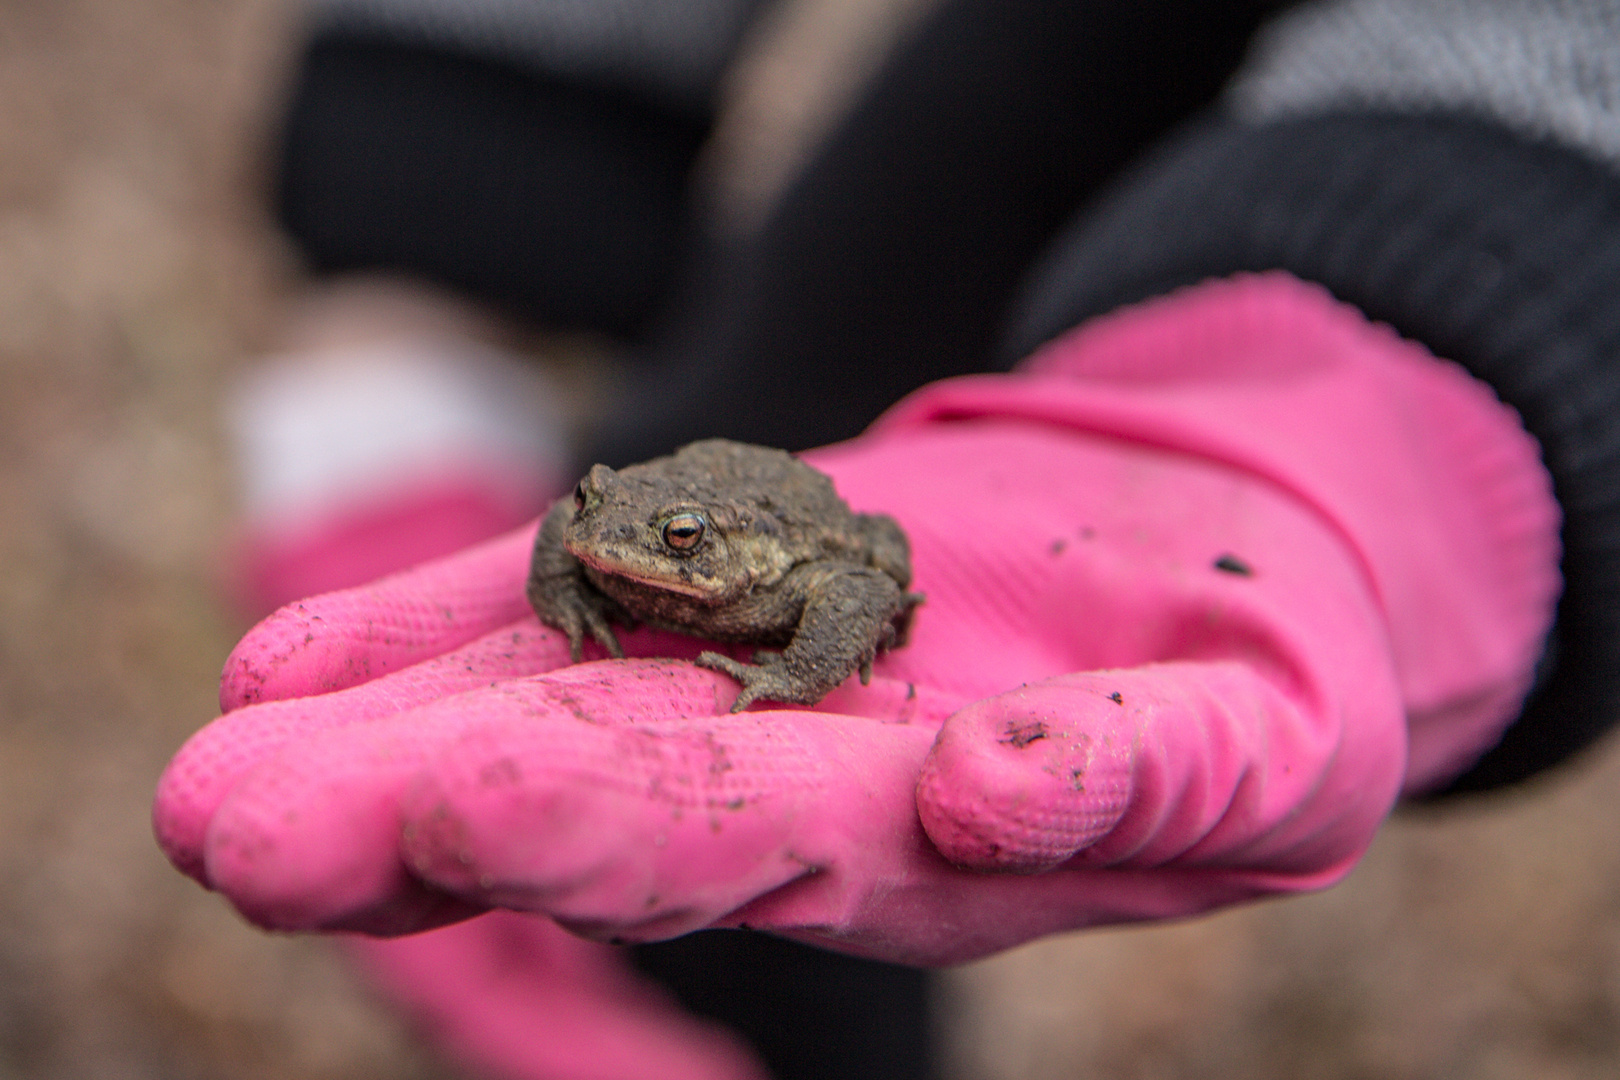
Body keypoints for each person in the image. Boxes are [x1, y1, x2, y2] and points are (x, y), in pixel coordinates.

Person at [157, 1, 1620, 1077]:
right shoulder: (614, 538)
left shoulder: (789, 566)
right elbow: (586, 530)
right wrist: (442, 221)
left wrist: (1494, 237)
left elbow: (862, 569)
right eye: (612, 536)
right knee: (747, 406)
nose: (607, 554)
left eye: (653, 544)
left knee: (881, 743)